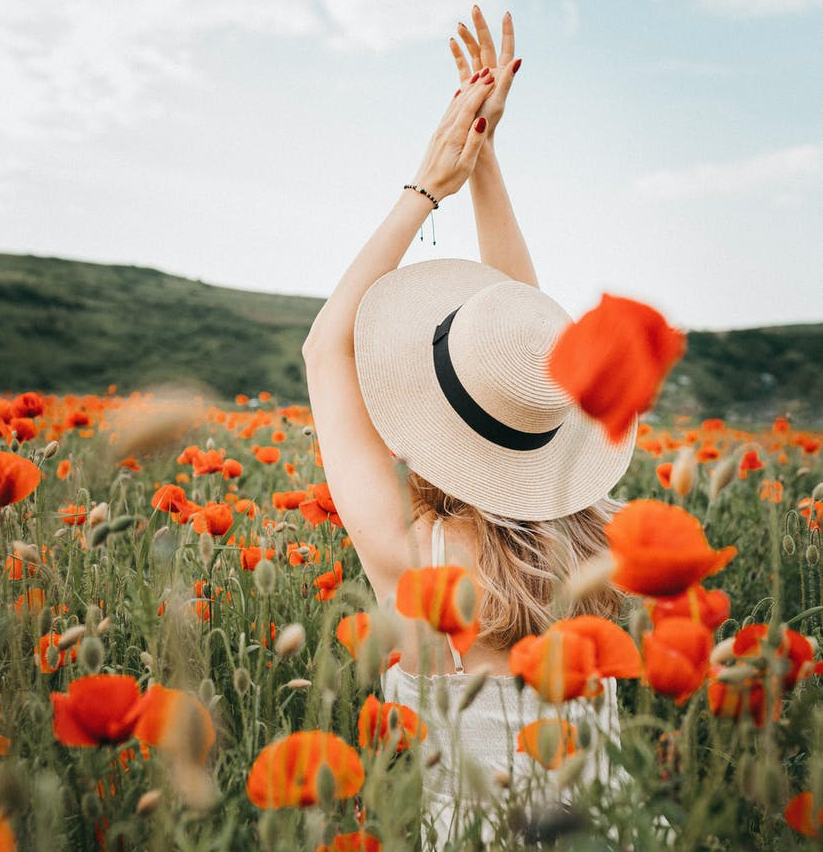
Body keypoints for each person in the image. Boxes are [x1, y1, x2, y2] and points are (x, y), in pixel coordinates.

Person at [302, 8, 636, 848]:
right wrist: (486, 163)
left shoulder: (413, 558)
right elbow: (521, 348)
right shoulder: (586, 540)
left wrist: (428, 186)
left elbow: (323, 349)